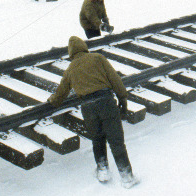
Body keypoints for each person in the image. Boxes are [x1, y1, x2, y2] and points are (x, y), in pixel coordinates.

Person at [48, 36, 137, 188]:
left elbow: (60, 94)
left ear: (71, 53)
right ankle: (126, 176)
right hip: (106, 102)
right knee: (116, 140)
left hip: (88, 107)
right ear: (84, 47)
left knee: (97, 139)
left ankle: (103, 171)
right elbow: (115, 79)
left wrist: (51, 101)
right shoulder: (98, 58)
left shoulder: (70, 69)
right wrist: (123, 98)